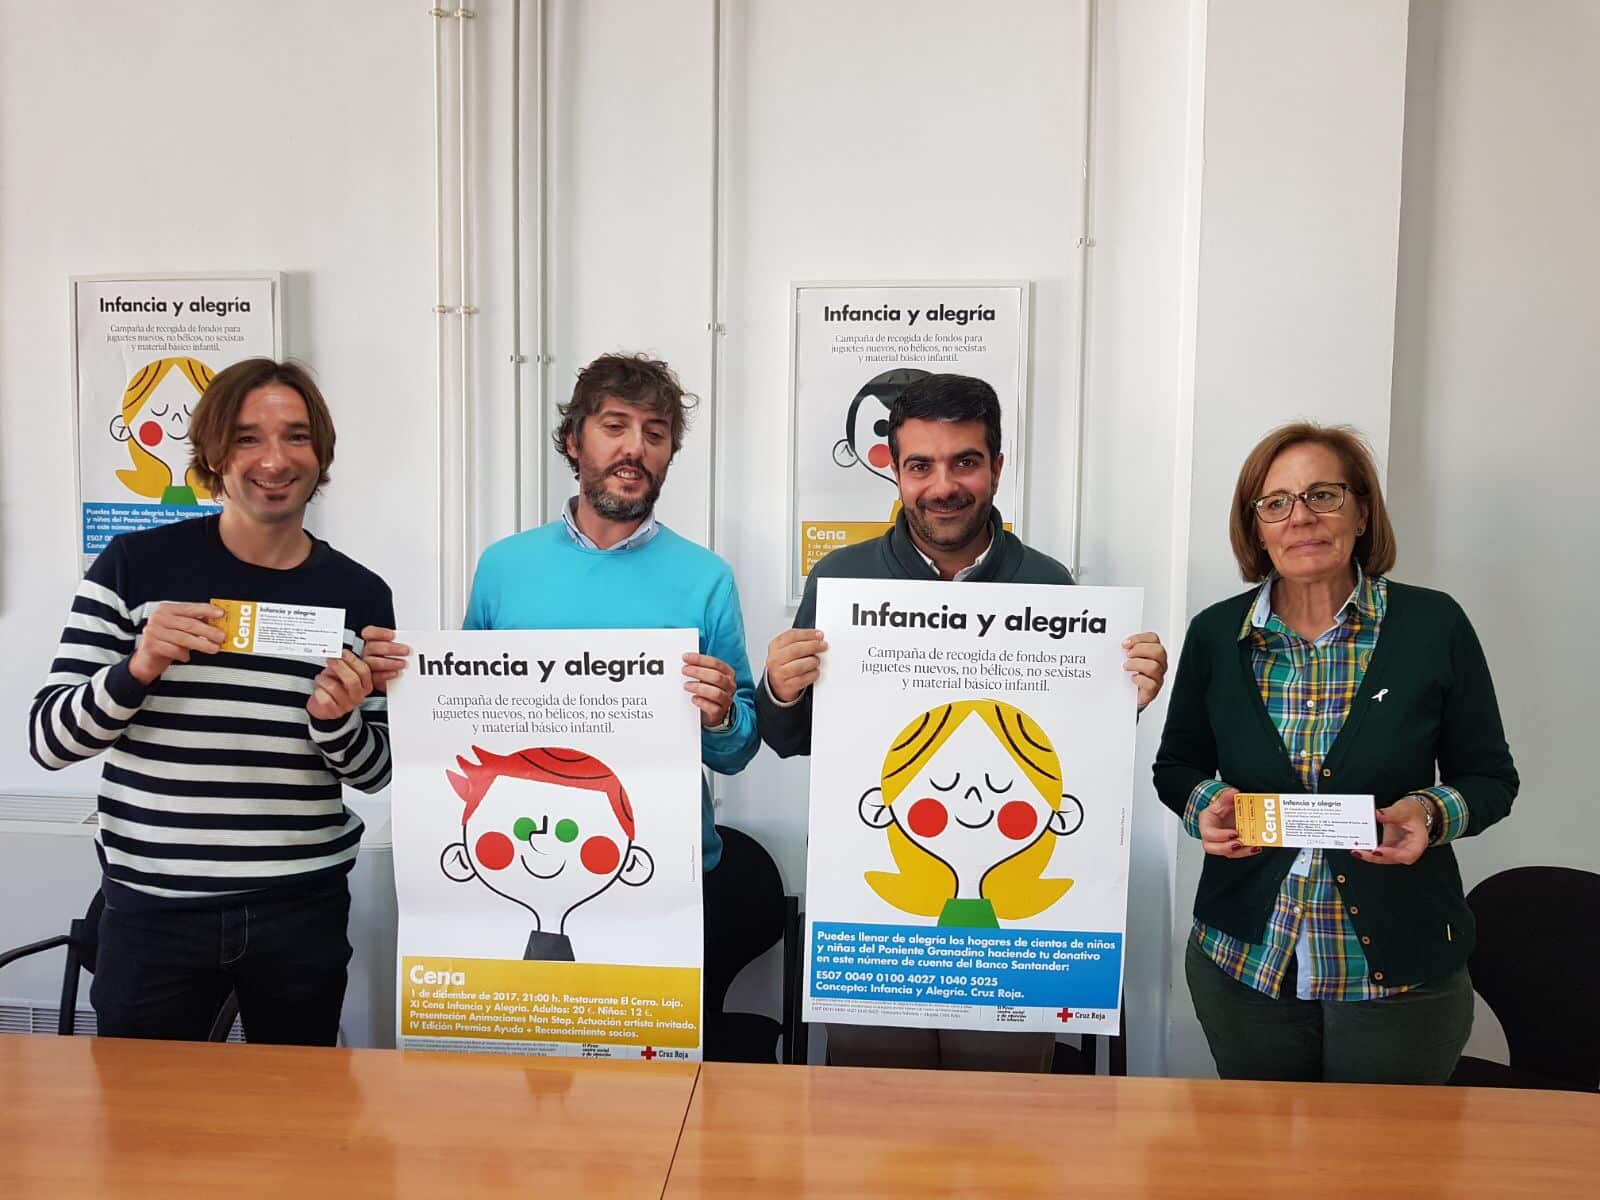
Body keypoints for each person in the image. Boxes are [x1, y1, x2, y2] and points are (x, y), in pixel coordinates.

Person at [759, 372, 1168, 1071]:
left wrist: (1121, 700)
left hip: (1014, 943)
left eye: (965, 462)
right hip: (877, 930)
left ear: (997, 468)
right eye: (921, 465)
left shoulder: (1048, 585)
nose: (942, 485)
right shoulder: (840, 579)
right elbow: (791, 741)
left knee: (1004, 1130)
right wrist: (780, 687)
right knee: (872, 1126)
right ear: (894, 471)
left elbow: (1056, 761)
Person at [362, 353, 760, 1051]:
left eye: (656, 432)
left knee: (649, 1097)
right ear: (575, 440)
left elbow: (738, 748)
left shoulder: (706, 579)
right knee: (510, 1091)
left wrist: (723, 714)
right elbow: (465, 716)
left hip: (661, 883)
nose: (635, 447)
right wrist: (403, 684)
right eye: (615, 426)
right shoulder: (504, 566)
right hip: (507, 875)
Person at [29, 358, 395, 1045]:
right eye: (249, 438)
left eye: (296, 436)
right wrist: (137, 667)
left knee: (298, 1122)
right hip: (153, 913)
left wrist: (334, 719)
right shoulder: (134, 565)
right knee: (146, 1128)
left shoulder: (361, 591)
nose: (275, 460)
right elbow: (49, 740)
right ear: (214, 454)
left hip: (302, 908)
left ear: (322, 455)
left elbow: (375, 772)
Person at [1153, 421, 1517, 1084]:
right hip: (1246, 969)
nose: (1301, 518)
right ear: (1256, 527)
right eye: (1276, 503)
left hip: (1401, 979)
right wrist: (1206, 807)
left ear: (1361, 511)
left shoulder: (1433, 626)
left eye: (1323, 495)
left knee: (1384, 1177)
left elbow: (1491, 777)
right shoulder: (1216, 634)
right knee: (1258, 1176)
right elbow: (1176, 766)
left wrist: (1431, 815)